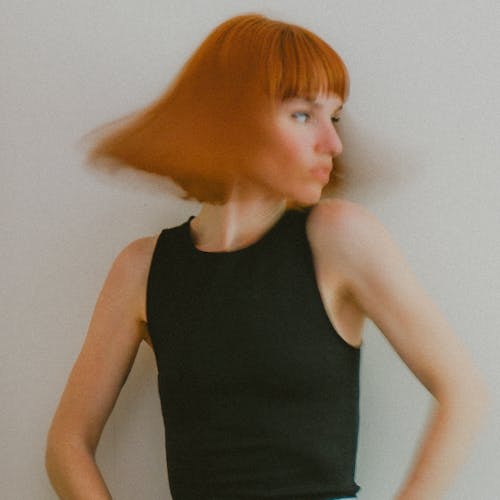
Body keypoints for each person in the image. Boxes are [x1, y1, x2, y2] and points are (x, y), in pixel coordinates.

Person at [45, 13, 490, 500]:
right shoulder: (142, 267)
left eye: (334, 117)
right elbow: (67, 442)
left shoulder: (338, 238)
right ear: (233, 118)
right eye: (303, 115)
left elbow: (463, 393)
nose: (333, 143)